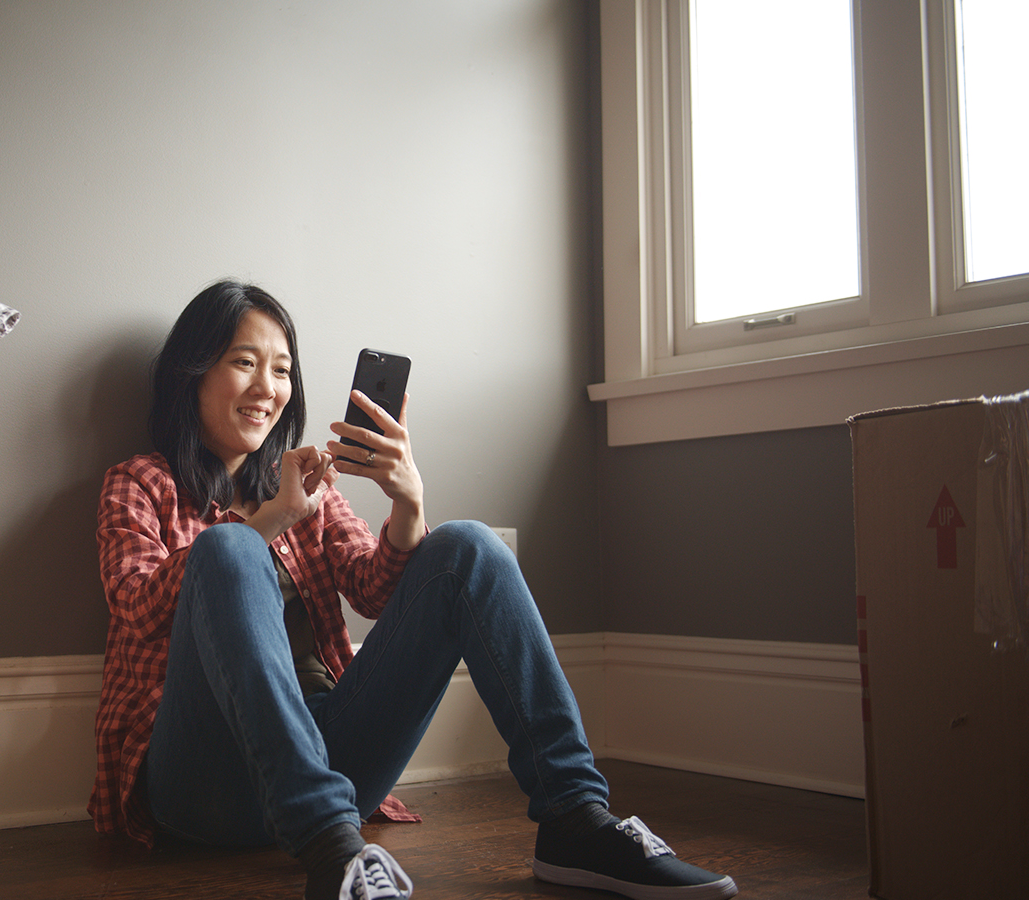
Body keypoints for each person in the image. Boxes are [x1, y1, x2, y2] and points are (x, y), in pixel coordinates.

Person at [90, 279, 738, 900]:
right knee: (227, 547)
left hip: (330, 758)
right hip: (202, 783)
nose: (268, 387)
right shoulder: (141, 483)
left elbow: (377, 593)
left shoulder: (307, 484)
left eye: (283, 369)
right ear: (192, 372)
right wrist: (268, 522)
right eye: (244, 362)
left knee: (468, 547)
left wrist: (407, 500)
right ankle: (332, 854)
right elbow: (137, 605)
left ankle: (576, 819)